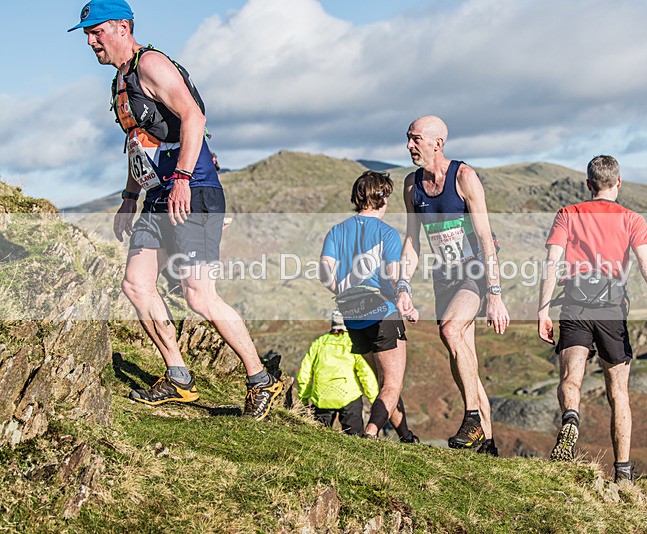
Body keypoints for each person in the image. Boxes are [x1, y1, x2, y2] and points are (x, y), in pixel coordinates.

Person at [69, 0, 283, 419]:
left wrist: (183, 177)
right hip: (155, 196)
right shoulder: (120, 82)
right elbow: (138, 140)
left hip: (193, 190)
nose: (91, 41)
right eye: (87, 35)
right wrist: (130, 197)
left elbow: (194, 116)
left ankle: (260, 379)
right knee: (136, 284)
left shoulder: (151, 64)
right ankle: (179, 376)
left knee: (199, 296)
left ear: (123, 26)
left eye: (97, 31)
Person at [537, 155, 647, 484]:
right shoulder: (632, 219)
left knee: (570, 378)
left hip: (575, 304)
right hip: (611, 310)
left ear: (589, 185)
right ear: (619, 182)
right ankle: (623, 473)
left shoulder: (568, 214)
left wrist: (542, 311)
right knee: (618, 392)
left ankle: (571, 417)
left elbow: (552, 264)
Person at [396, 116, 509, 456]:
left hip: (474, 271)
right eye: (408, 138)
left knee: (450, 330)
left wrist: (495, 294)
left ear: (437, 143)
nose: (409, 146)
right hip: (444, 276)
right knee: (463, 357)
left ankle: (472, 418)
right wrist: (403, 285)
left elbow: (487, 239)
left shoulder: (464, 178)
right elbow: (413, 241)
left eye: (415, 139)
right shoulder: (410, 186)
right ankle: (487, 442)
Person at [320, 171, 419, 442]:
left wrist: (342, 290)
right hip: (383, 312)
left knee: (383, 385)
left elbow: (325, 273)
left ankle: (407, 436)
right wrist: (406, 303)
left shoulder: (337, 231)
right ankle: (371, 433)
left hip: (351, 315)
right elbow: (391, 275)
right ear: (383, 197)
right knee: (392, 384)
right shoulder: (386, 233)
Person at [297, 311, 380, 436]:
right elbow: (366, 374)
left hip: (322, 397)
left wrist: (303, 400)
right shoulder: (353, 343)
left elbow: (305, 373)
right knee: (355, 439)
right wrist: (374, 400)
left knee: (318, 437)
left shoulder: (318, 343)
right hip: (349, 397)